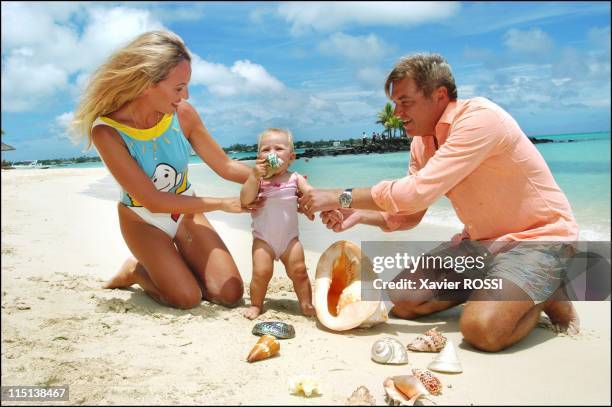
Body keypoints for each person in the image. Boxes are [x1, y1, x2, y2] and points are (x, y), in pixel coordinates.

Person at [298, 53, 580, 352]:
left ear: (439, 95)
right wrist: (356, 213)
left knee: (482, 330)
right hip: (481, 244)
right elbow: (408, 214)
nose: (397, 113)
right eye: (395, 103)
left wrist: (339, 195)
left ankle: (547, 289)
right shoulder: (422, 142)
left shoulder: (479, 119)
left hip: (538, 239)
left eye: (405, 102)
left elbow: (414, 192)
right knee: (404, 299)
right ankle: (502, 287)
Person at [71, 31, 264, 310]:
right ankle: (137, 271)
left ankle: (176, 264)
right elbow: (153, 200)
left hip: (186, 213)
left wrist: (272, 177)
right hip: (142, 219)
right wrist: (224, 203)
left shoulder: (183, 114)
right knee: (185, 298)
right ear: (147, 83)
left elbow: (225, 166)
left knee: (230, 293)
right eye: (178, 87)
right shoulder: (107, 132)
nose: (185, 95)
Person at [240, 128, 316, 319]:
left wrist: (323, 205)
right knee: (261, 273)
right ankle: (256, 305)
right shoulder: (258, 181)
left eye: (278, 149)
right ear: (258, 157)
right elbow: (245, 199)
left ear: (291, 157)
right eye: (266, 149)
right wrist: (253, 176)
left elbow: (312, 193)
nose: (272, 153)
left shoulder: (295, 178)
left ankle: (306, 304)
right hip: (263, 239)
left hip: (290, 240)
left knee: (299, 271)